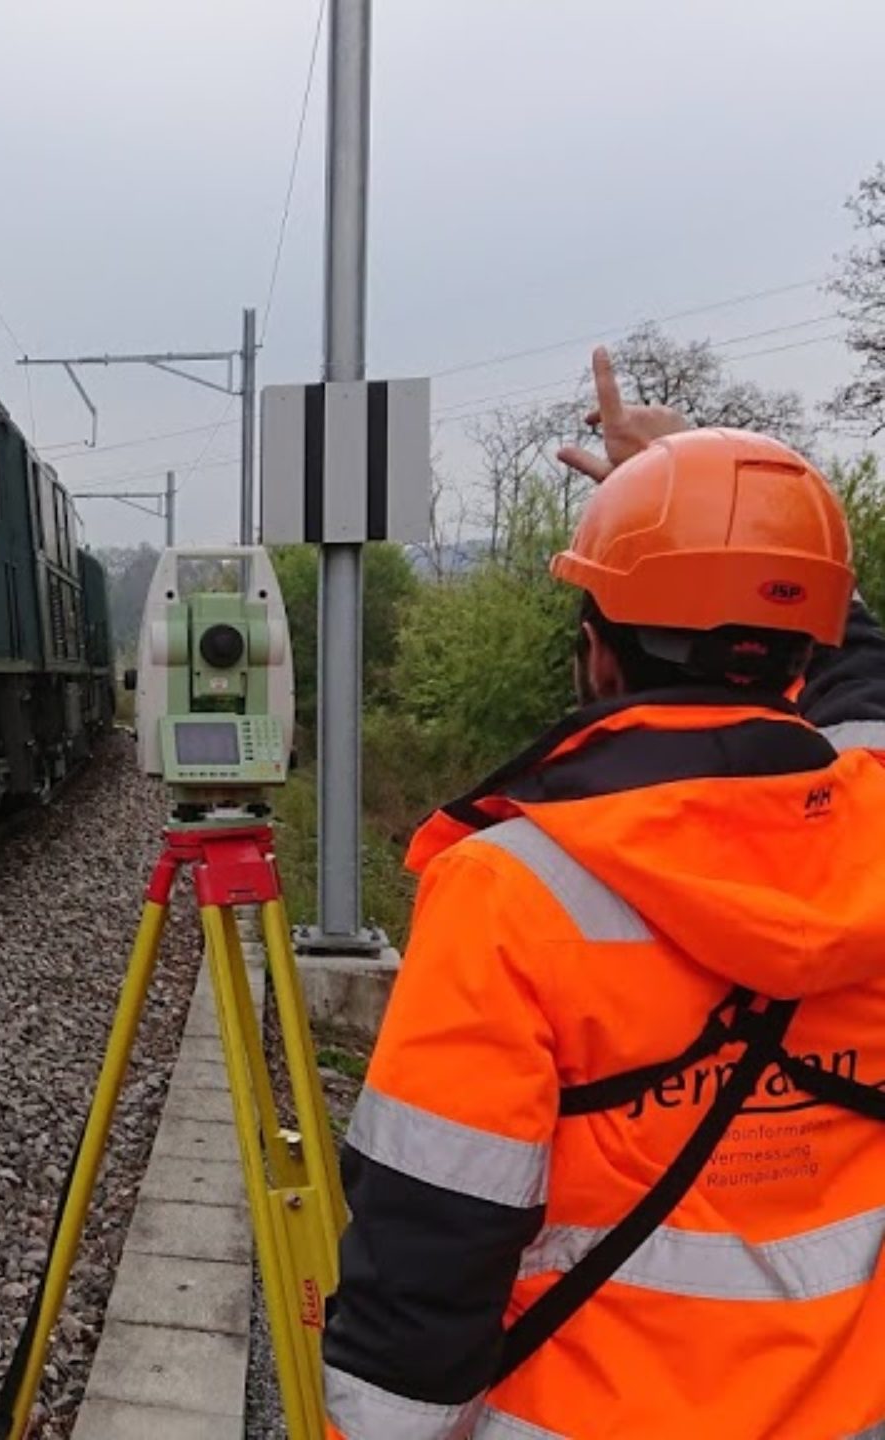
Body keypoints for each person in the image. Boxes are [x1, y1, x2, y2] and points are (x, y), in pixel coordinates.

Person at [319, 348, 885, 1439]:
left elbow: (431, 1258)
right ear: (800, 655)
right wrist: (742, 520)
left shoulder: (507, 892)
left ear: (596, 656)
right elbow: (860, 680)